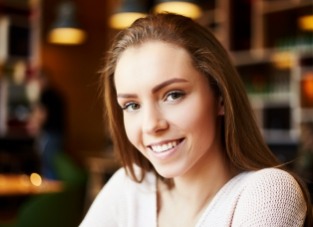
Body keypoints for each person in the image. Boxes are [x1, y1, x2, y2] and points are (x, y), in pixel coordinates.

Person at [80, 13, 312, 226]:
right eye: (132, 105)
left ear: (220, 97)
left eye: (173, 95)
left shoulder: (268, 192)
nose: (151, 125)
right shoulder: (130, 188)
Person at [27, 71, 66, 180]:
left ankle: (50, 188)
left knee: (46, 163)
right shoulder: (58, 95)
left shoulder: (46, 95)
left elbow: (42, 115)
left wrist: (34, 126)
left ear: (44, 80)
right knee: (53, 162)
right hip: (59, 134)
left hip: (49, 133)